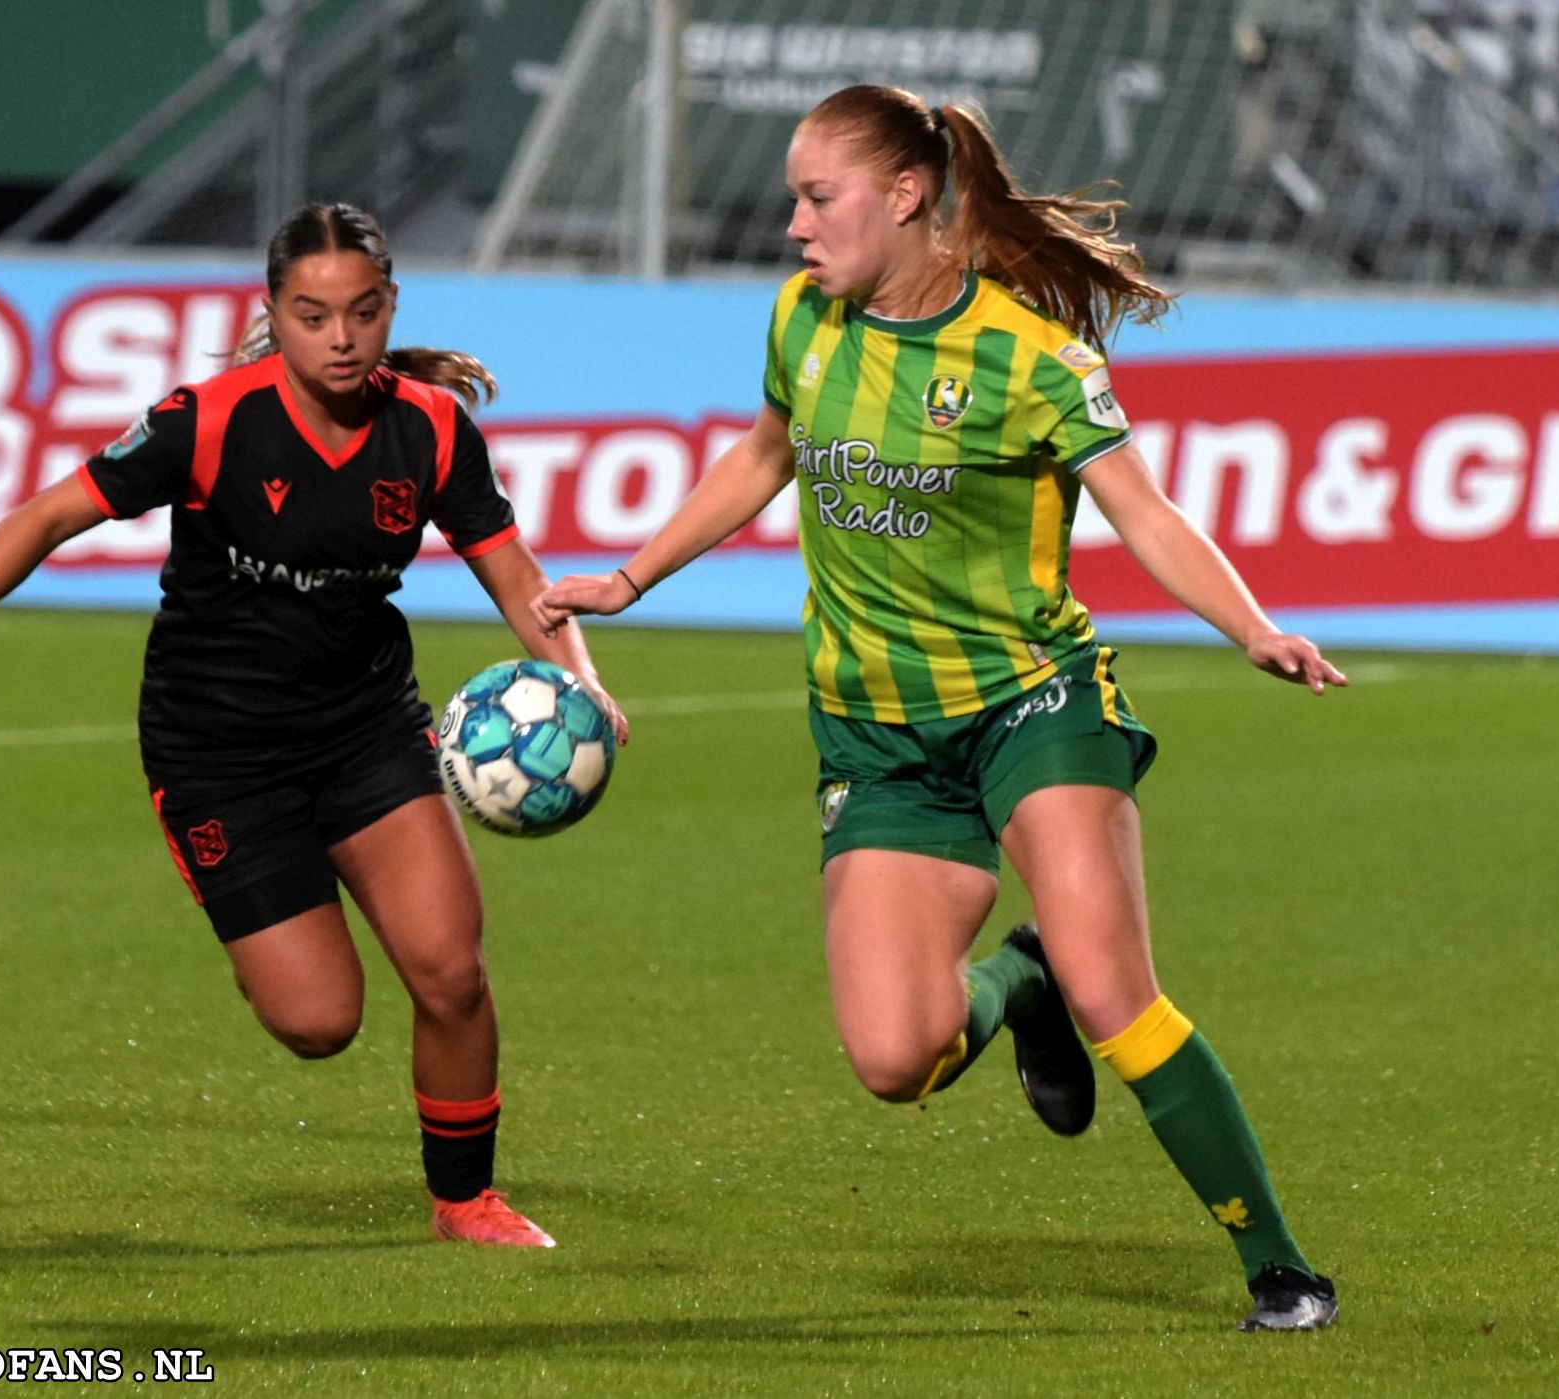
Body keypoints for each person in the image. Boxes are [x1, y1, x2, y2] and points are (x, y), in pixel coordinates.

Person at [532, 85, 1344, 1329]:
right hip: (875, 736)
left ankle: (1280, 1267)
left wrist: (1254, 628)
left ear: (904, 193)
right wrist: (633, 576)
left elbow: (1148, 513)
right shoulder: (805, 318)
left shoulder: (1031, 357)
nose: (794, 224)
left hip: (1033, 703)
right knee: (893, 1058)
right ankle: (1019, 987)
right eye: (794, 198)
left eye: (818, 196)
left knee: (1118, 992)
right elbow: (764, 453)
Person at [0, 201, 627, 1250]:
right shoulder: (209, 420)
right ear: (273, 313)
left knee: (451, 969)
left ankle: (466, 1202)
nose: (342, 337)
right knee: (319, 1022)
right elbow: (49, 512)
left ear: (390, 307)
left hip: (365, 731)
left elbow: (518, 575)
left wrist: (580, 683)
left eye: (362, 312)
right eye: (313, 315)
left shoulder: (433, 428)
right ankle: (251, 888)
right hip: (218, 751)